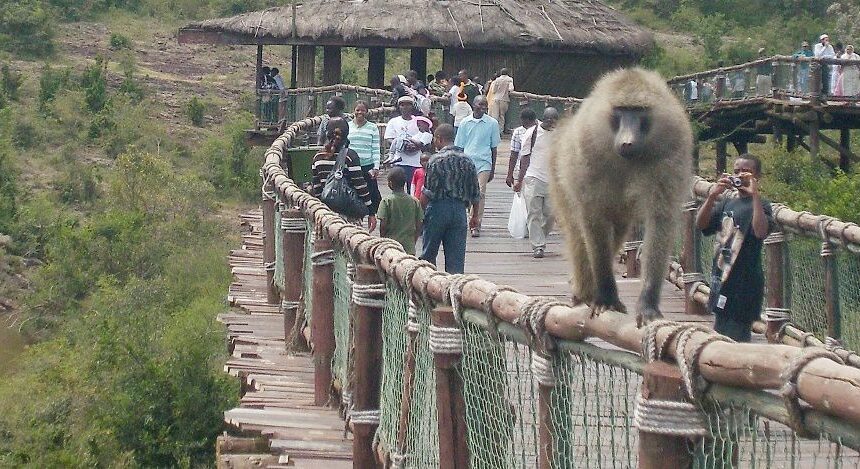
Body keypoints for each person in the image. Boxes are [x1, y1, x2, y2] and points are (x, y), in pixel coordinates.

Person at [695, 154, 773, 342]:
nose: (740, 176)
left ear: (757, 176)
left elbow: (760, 231)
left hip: (745, 286)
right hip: (721, 281)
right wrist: (713, 195)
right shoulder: (727, 202)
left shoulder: (762, 205)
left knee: (737, 339)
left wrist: (754, 195)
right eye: (736, 171)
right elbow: (701, 224)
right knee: (719, 333)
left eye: (746, 172)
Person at [419, 124, 481, 274]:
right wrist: (475, 216)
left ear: (439, 139)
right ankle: (454, 293)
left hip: (438, 209)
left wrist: (420, 213)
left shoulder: (435, 160)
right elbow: (475, 192)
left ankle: (428, 289)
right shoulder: (468, 161)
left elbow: (428, 192)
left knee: (428, 255)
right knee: (456, 261)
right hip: (460, 211)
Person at [513, 108, 558, 258]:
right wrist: (519, 179)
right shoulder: (532, 133)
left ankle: (541, 236)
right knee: (534, 213)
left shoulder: (559, 135)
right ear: (543, 119)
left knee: (551, 214)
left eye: (554, 121)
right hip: (533, 177)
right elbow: (524, 157)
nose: (551, 123)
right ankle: (538, 245)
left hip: (552, 179)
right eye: (549, 120)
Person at [311, 118, 373, 225]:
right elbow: (360, 186)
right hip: (349, 214)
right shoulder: (350, 156)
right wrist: (370, 211)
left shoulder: (318, 157)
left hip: (326, 215)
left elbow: (317, 188)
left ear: (327, 133)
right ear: (347, 133)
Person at [454, 95, 500, 237]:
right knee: (468, 192)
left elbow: (494, 147)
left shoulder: (492, 123)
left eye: (485, 105)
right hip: (467, 162)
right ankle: (470, 218)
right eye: (480, 104)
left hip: (484, 162)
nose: (483, 107)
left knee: (480, 192)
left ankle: (476, 224)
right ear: (473, 105)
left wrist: (492, 168)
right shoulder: (465, 123)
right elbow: (459, 147)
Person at [348, 100, 382, 231]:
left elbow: (375, 149)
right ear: (353, 111)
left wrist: (376, 167)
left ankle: (371, 218)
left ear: (367, 112)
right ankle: (355, 221)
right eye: (357, 110)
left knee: (370, 194)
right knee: (353, 193)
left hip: (367, 166)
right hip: (351, 166)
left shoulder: (372, 127)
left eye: (362, 110)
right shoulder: (348, 126)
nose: (359, 112)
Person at [377, 167, 424, 256]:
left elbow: (383, 225)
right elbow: (419, 225)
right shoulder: (415, 201)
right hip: (409, 248)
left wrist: (382, 240)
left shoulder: (386, 201)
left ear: (390, 183)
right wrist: (413, 241)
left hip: (390, 247)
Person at [384, 96, 423, 193]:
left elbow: (425, 137)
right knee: (397, 189)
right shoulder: (393, 122)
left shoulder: (419, 121)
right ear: (399, 107)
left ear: (412, 106)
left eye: (408, 104)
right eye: (402, 105)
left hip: (415, 161)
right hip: (399, 161)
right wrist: (402, 145)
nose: (405, 107)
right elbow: (389, 138)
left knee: (413, 190)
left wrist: (416, 146)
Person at [506, 108, 539, 188]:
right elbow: (514, 154)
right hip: (521, 169)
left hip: (538, 170)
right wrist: (510, 174)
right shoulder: (518, 132)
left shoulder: (540, 131)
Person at [489, 68, 515, 134]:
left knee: (495, 116)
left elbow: (493, 91)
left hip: (496, 98)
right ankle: (500, 131)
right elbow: (511, 89)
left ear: (501, 73)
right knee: (501, 116)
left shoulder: (497, 80)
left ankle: (494, 131)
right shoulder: (510, 79)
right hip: (504, 99)